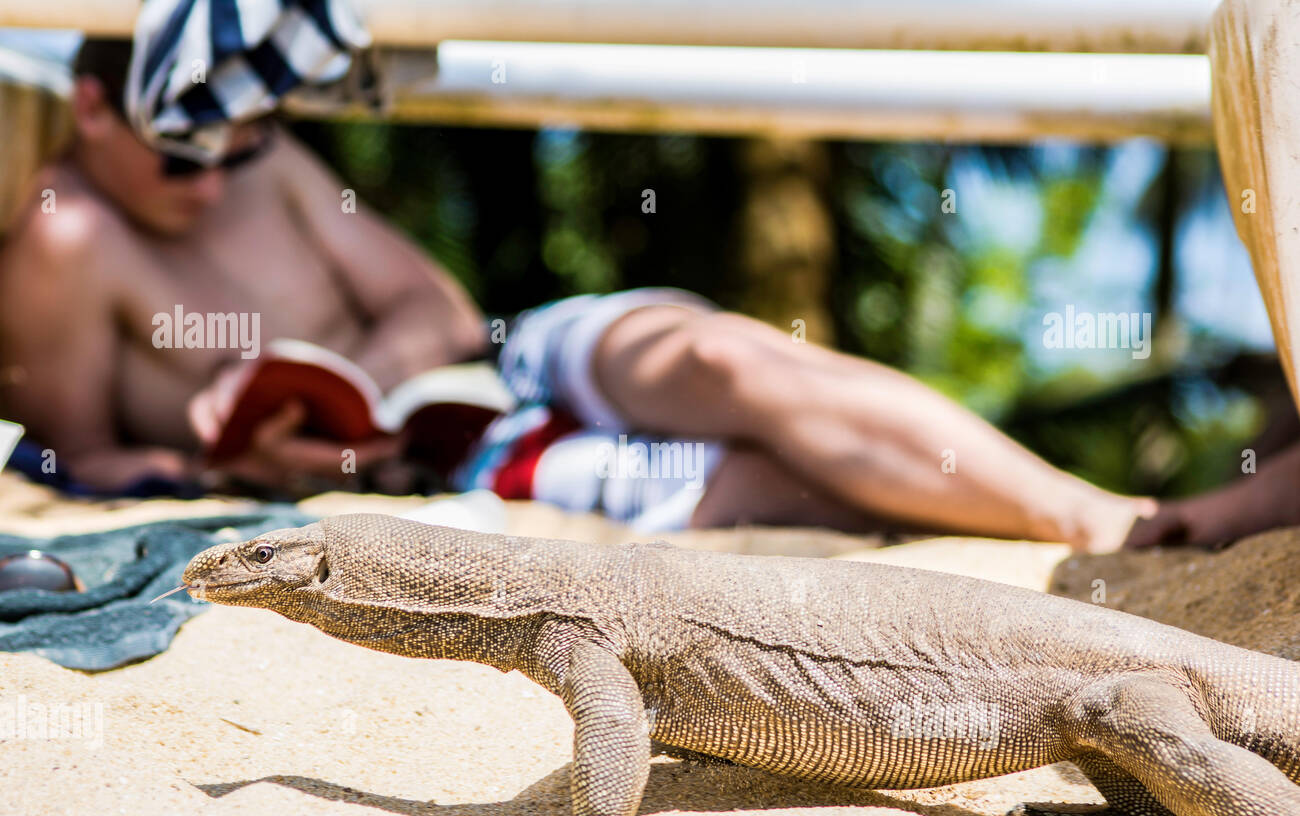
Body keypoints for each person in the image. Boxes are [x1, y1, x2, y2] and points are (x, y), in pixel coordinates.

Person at [0, 38, 1159, 549]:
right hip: (456, 470)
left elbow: (444, 312)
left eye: (238, 146)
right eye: (184, 151)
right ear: (93, 110)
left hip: (499, 368)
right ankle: (1148, 532)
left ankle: (1098, 512)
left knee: (728, 363)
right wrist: (236, 464)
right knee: (772, 481)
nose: (214, 174)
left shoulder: (259, 157)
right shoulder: (69, 237)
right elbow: (80, 460)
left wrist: (368, 380)